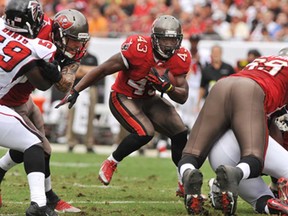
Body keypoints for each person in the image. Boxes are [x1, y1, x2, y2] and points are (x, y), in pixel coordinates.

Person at [56, 15, 191, 193]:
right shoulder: (138, 48)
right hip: (123, 96)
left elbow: (183, 96)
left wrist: (168, 87)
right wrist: (76, 90)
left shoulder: (180, 57)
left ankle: (183, 182)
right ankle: (112, 162)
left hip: (148, 98)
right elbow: (103, 69)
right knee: (145, 132)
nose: (169, 45)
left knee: (180, 132)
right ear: (155, 38)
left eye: (173, 40)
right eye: (165, 39)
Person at [0, 6, 90, 213]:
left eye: (80, 40)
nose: (77, 46)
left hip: (22, 95)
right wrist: (51, 74)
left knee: (33, 143)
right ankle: (47, 199)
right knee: (39, 147)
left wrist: (58, 75)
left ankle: (47, 198)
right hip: (6, 98)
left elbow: (66, 83)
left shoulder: (49, 38)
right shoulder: (34, 39)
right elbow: (44, 83)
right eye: (73, 39)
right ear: (58, 34)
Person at [178, 52, 288, 215]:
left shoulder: (265, 61)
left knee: (192, 152)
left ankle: (189, 173)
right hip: (250, 92)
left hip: (222, 87)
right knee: (253, 156)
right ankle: (234, 175)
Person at [0, 0, 64, 214]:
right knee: (34, 144)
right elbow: (42, 84)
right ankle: (39, 204)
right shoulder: (33, 48)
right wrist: (53, 74)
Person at [66, 52, 98, 153]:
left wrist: (82, 69)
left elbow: (97, 72)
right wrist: (87, 70)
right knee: (72, 115)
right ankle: (71, 142)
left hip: (90, 88)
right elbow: (75, 72)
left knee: (90, 116)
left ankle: (89, 143)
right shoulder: (73, 56)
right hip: (75, 88)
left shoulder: (93, 57)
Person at [197, 44, 235, 111]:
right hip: (209, 100)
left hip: (224, 101)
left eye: (217, 52)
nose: (216, 54)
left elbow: (234, 85)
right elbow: (202, 87)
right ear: (211, 54)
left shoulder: (228, 68)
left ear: (221, 53)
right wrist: (198, 103)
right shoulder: (206, 69)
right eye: (214, 52)